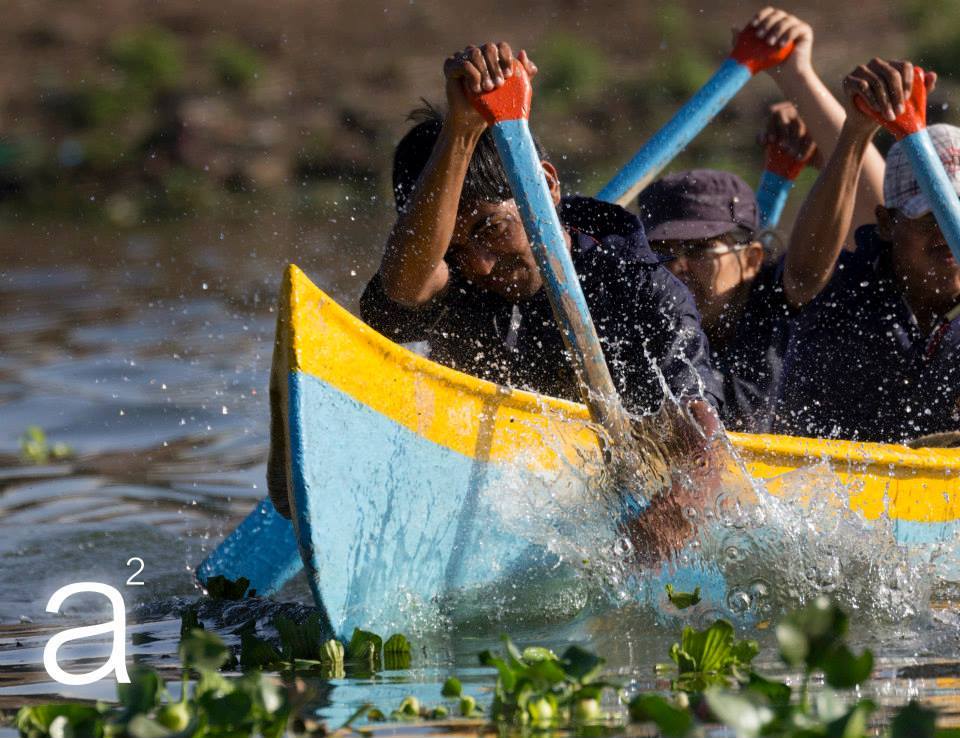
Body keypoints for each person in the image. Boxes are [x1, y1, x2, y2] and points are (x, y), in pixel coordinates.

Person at [359, 42, 723, 419]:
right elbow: (405, 284)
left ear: (547, 185)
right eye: (455, 249)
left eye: (492, 228)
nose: (480, 266)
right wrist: (462, 130)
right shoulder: (449, 279)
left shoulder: (640, 290)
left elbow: (700, 435)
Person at [774, 58, 960, 443]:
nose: (948, 234)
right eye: (931, 218)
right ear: (888, 224)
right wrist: (856, 131)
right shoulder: (847, 290)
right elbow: (801, 280)